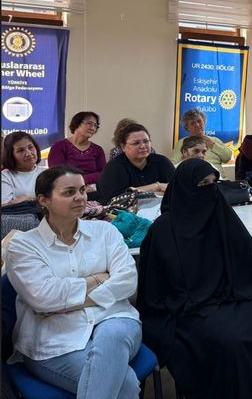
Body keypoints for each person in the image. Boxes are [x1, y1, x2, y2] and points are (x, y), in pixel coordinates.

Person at [137, 159, 252, 399]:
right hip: (188, 308)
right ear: (185, 188)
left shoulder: (223, 217)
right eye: (202, 184)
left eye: (213, 183)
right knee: (231, 345)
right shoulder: (164, 229)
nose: (210, 189)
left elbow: (245, 269)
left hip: (236, 295)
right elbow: (156, 287)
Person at [5, 166, 141, 398]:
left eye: (82, 190)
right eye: (68, 192)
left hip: (114, 318)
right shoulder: (23, 246)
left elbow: (128, 281)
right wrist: (100, 278)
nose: (80, 197)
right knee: (125, 385)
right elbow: (44, 297)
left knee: (113, 335)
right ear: (44, 200)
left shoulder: (105, 232)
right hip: (52, 340)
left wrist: (68, 301)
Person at [97, 123, 175, 204]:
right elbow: (117, 200)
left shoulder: (162, 162)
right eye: (136, 143)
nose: (143, 146)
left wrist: (137, 192)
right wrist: (158, 186)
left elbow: (176, 190)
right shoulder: (113, 168)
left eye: (146, 141)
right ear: (123, 147)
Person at [47, 111, 106, 194]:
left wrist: (84, 183)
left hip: (93, 189)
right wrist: (80, 183)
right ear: (77, 123)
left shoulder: (98, 150)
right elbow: (57, 174)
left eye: (95, 125)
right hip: (67, 190)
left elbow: (103, 173)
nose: (92, 128)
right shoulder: (59, 146)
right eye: (89, 123)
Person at [170, 109, 233, 176]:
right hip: (196, 180)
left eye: (199, 121)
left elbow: (227, 157)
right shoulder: (183, 142)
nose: (197, 125)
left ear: (204, 122)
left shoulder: (214, 140)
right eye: (193, 123)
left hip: (219, 179)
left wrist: (213, 145)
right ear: (187, 127)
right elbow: (173, 165)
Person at [1, 132, 47, 207]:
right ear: (11, 155)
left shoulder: (47, 172)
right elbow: (5, 206)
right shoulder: (5, 176)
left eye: (30, 147)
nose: (28, 153)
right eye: (21, 150)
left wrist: (24, 199)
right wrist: (30, 199)